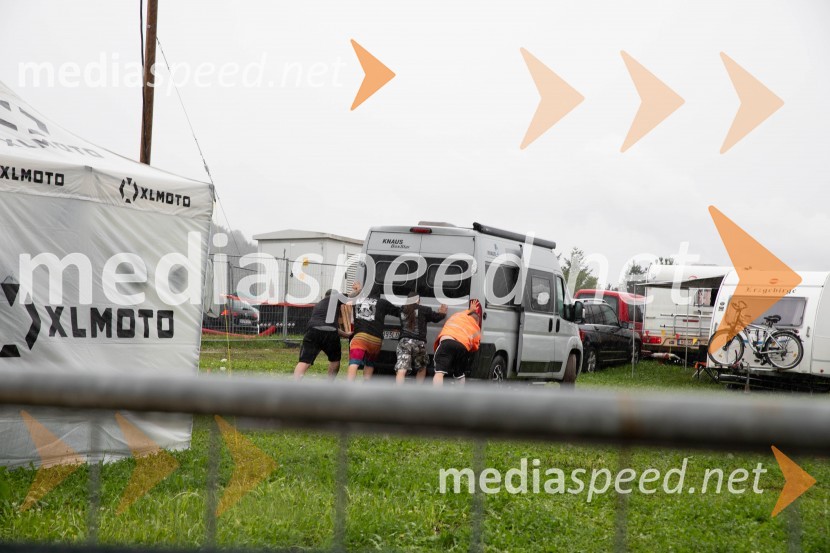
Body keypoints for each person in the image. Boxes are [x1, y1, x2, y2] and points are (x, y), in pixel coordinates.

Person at [347, 281, 401, 381]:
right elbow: (399, 312)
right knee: (369, 364)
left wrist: (359, 290)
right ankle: (366, 386)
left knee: (354, 363)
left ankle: (349, 386)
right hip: (375, 340)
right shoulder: (382, 303)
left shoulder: (357, 301)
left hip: (360, 338)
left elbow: (348, 297)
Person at [293, 289, 352, 379]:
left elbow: (327, 325)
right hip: (330, 333)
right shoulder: (335, 298)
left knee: (304, 361)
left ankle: (296, 383)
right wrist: (360, 290)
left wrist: (346, 335)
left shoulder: (319, 305)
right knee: (335, 360)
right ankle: (329, 384)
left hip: (313, 331)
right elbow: (352, 296)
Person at [395, 291, 448, 384]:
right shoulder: (424, 310)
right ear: (418, 300)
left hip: (404, 343)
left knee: (401, 369)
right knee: (422, 368)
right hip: (419, 344)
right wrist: (442, 313)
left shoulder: (402, 310)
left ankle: (398, 390)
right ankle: (418, 389)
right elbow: (436, 318)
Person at [432, 299, 482, 386]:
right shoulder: (476, 329)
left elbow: (465, 313)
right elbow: (475, 346)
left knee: (439, 372)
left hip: (447, 342)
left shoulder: (458, 315)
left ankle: (436, 393)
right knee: (460, 375)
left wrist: (470, 310)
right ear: (477, 321)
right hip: (462, 348)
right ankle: (459, 394)